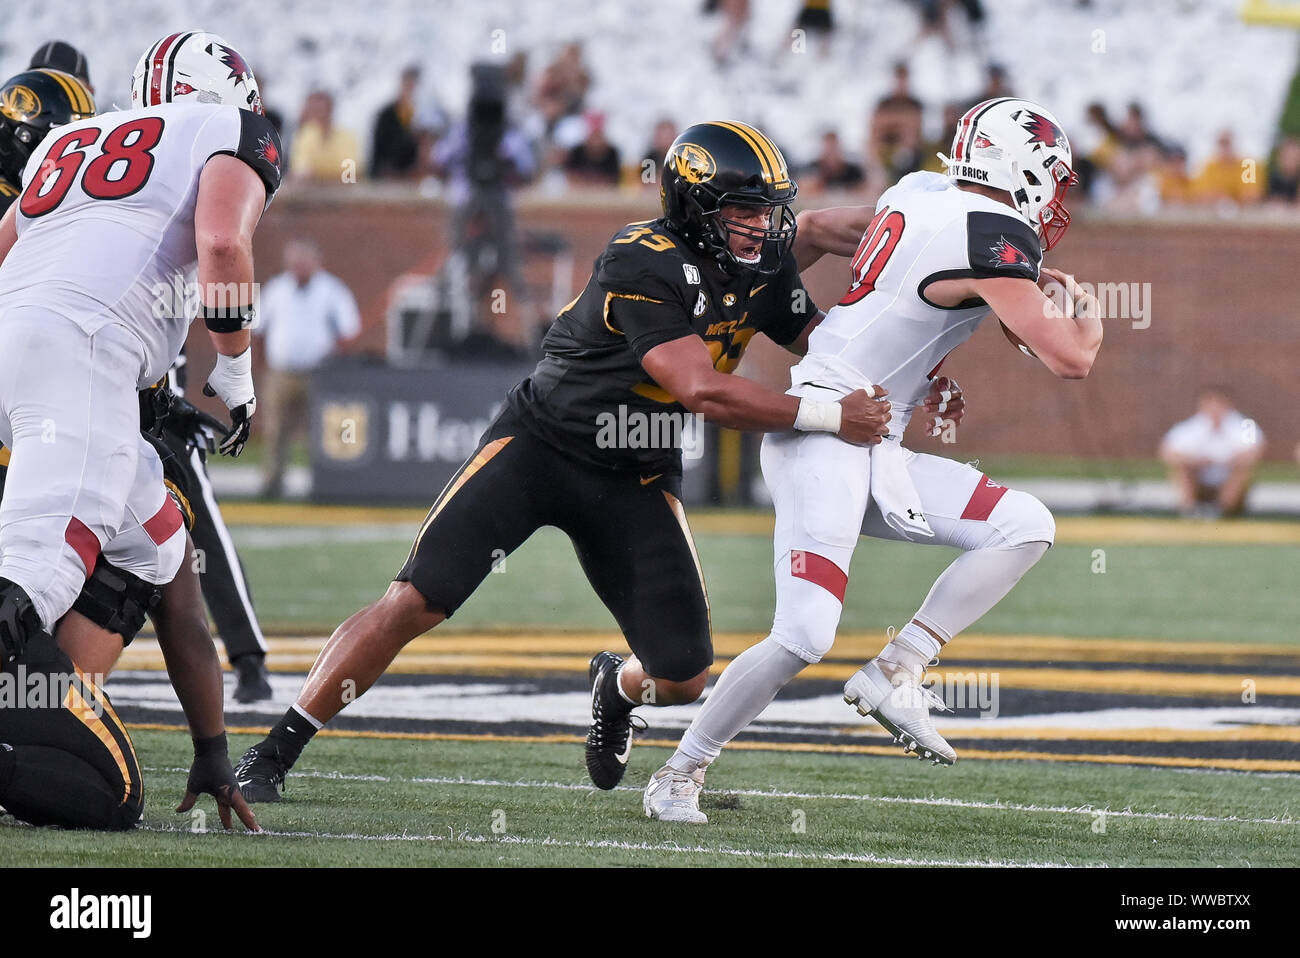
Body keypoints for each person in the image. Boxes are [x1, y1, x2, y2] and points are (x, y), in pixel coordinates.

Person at [234, 119, 960, 803]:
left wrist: (934, 343)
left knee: (682, 677)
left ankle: (615, 688)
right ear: (696, 206)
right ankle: (273, 752)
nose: (762, 227)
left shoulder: (762, 258)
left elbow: (837, 311)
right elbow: (699, 387)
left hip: (636, 472)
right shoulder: (643, 258)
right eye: (744, 210)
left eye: (767, 211)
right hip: (542, 448)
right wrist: (836, 415)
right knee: (413, 602)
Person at [644, 98, 1103, 823]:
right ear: (1026, 170)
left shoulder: (919, 189)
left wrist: (757, 312)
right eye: (1055, 177)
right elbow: (1069, 358)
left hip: (869, 435)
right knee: (805, 634)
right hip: (824, 432)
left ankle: (899, 668)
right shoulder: (994, 232)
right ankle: (679, 771)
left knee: (1024, 525)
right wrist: (1088, 312)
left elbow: (820, 230)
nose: (1057, 196)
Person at [0, 34, 284, 828]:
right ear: (227, 89)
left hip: (28, 345)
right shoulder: (228, 131)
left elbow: (4, 254)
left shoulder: (68, 141)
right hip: (84, 351)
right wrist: (233, 368)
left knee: (152, 538)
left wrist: (211, 750)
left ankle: (36, 701)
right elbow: (224, 240)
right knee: (35, 571)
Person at [255, 239, 361, 498]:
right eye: (295, 262)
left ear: (316, 262)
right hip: (281, 372)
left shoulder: (332, 291)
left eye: (304, 262)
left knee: (321, 431)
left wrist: (335, 363)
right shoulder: (277, 289)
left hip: (319, 373)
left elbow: (348, 331)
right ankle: (273, 483)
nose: (299, 267)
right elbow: (259, 329)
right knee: (275, 429)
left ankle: (323, 483)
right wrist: (261, 366)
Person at [1160, 389, 1264, 517]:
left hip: (1228, 481)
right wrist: (1194, 461)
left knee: (1242, 470)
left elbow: (1254, 453)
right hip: (1199, 481)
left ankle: (1222, 511)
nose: (1214, 409)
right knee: (1181, 469)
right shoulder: (1189, 427)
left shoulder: (1244, 426)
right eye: (1210, 403)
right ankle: (1189, 510)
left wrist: (1227, 461)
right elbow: (1168, 453)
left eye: (1219, 404)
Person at [290, 90, 362, 183]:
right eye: (312, 109)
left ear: (330, 110)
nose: (315, 113)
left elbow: (350, 174)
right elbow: (300, 171)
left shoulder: (347, 137)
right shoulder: (305, 135)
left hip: (344, 193)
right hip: (312, 193)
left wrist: (317, 175)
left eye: (319, 110)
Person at [370, 65, 424, 179]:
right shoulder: (385, 116)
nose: (409, 89)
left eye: (412, 85)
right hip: (388, 176)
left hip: (413, 177)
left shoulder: (421, 115)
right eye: (407, 84)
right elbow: (378, 152)